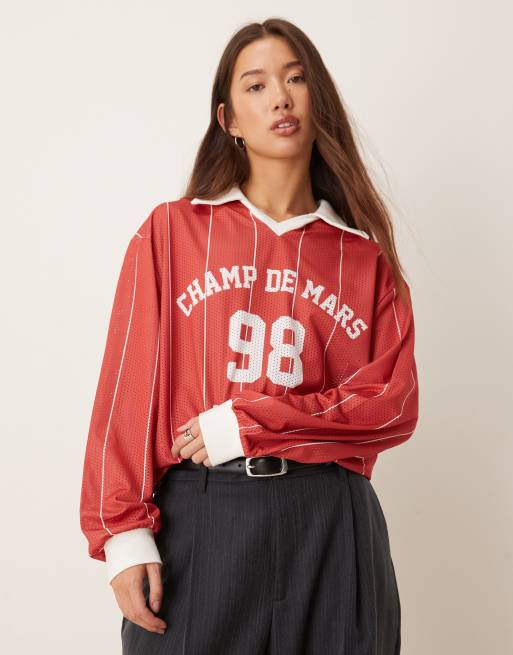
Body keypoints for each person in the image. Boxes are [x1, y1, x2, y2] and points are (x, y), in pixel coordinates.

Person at [80, 17, 419, 654]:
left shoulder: (364, 259)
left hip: (332, 526)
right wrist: (122, 533)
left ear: (319, 99)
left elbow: (391, 407)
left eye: (296, 79)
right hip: (203, 517)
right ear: (229, 119)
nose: (281, 98)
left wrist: (250, 423)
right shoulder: (174, 233)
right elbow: (127, 388)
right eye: (257, 86)